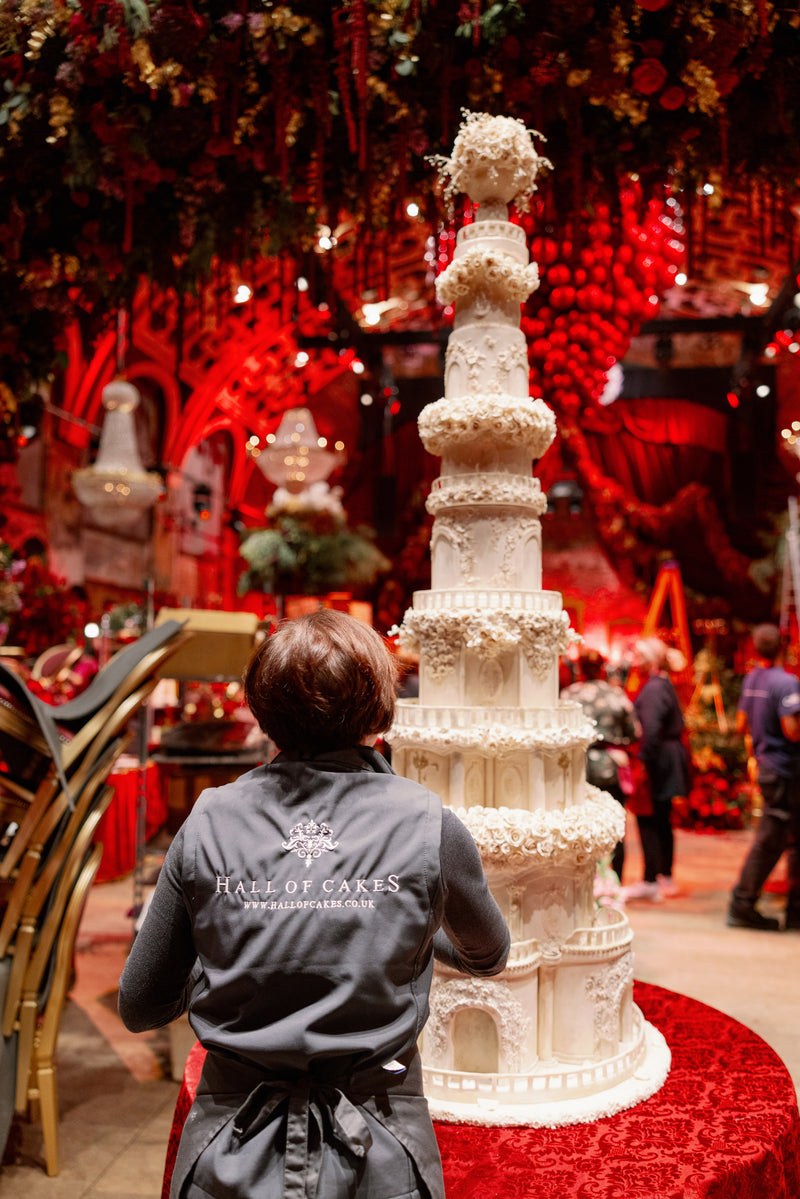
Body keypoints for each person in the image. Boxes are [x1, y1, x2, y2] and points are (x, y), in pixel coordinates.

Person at [118, 609, 509, 1199]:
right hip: (379, 1146)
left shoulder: (209, 819)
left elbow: (142, 1004)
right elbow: (489, 955)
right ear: (381, 712)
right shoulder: (428, 822)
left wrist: (232, 949)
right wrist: (399, 929)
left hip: (229, 1146)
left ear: (263, 710)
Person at [727, 622, 800, 931]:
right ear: (783, 646)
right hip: (786, 770)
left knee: (788, 838)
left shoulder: (752, 679)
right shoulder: (787, 683)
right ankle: (743, 903)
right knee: (771, 839)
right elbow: (792, 731)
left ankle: (793, 909)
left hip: (768, 766)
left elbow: (740, 723)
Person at [561, 648, 641, 881]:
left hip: (576, 768)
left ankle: (585, 882)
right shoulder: (616, 695)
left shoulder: (568, 695)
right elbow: (635, 732)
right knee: (615, 825)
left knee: (579, 825)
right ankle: (615, 883)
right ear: (602, 669)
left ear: (580, 668)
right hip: (610, 767)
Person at [625, 637, 690, 902]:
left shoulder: (653, 688)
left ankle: (652, 878)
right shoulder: (662, 684)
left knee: (650, 818)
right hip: (665, 756)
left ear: (650, 660)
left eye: (639, 657)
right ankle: (663, 875)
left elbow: (651, 730)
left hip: (658, 760)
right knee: (661, 818)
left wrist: (642, 761)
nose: (634, 662)